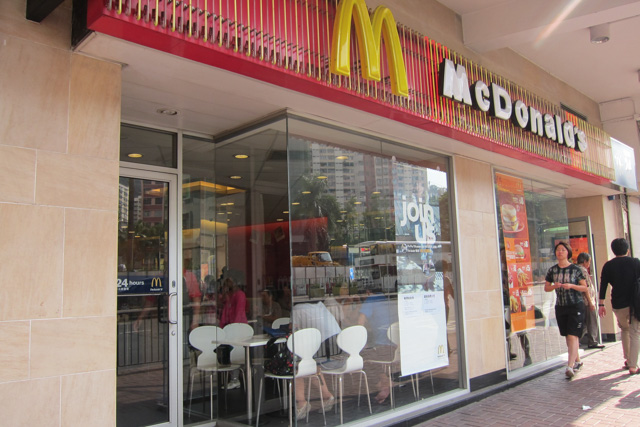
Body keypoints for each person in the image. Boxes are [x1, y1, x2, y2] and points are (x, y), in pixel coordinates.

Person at [544, 242, 589, 379]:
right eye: (558, 250)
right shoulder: (552, 270)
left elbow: (584, 287)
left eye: (563, 250)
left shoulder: (576, 269)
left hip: (575, 305)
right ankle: (578, 361)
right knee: (568, 336)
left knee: (572, 335)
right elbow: (546, 287)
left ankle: (570, 366)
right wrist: (554, 286)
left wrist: (572, 286)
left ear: (568, 252)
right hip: (561, 306)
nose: (560, 252)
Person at [598, 238, 640, 374]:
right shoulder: (635, 262)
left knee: (625, 329)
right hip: (635, 303)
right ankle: (633, 365)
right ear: (627, 250)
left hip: (618, 304)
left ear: (613, 250)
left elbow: (603, 285)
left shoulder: (608, 265)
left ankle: (628, 360)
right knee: (635, 332)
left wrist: (601, 304)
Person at [576, 253, 604, 349]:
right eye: (589, 262)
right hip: (586, 301)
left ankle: (575, 340)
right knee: (591, 321)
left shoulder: (575, 269)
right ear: (585, 261)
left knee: (584, 323)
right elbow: (585, 288)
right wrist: (590, 301)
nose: (589, 264)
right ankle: (592, 341)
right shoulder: (582, 270)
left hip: (581, 301)